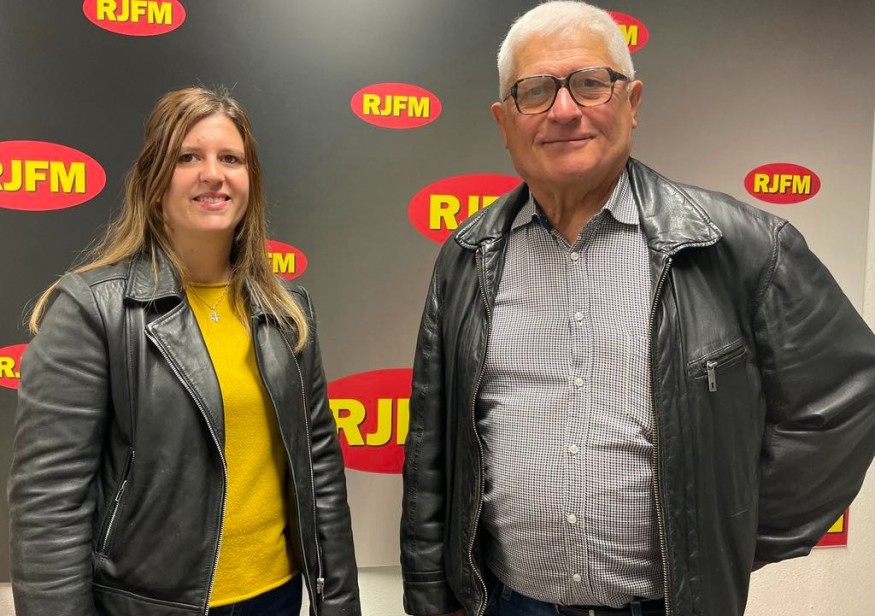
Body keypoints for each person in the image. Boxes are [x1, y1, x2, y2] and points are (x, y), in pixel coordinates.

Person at [399, 2, 875, 616]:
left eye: (590, 83)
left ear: (632, 101)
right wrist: (431, 599)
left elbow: (847, 399)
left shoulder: (741, 246)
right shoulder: (466, 257)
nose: (563, 110)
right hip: (507, 602)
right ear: (504, 121)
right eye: (535, 91)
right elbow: (431, 449)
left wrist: (727, 534)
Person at [8, 87, 361, 616]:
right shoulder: (91, 311)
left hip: (277, 597)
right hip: (150, 605)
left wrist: (340, 604)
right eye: (188, 157)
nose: (213, 174)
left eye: (231, 159)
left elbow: (319, 472)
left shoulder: (288, 312)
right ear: (154, 182)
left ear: (250, 182)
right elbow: (48, 505)